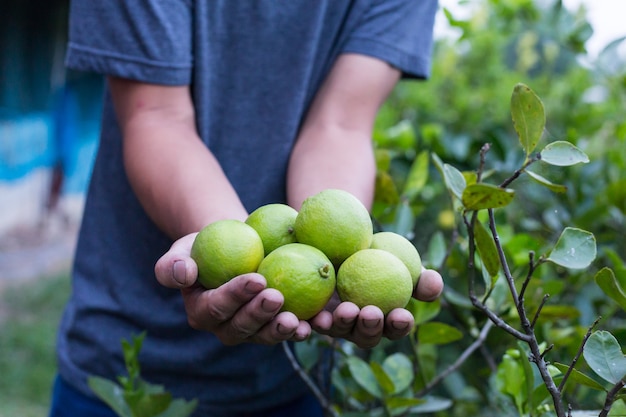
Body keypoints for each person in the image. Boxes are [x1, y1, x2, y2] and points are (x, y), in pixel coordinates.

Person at [49, 1, 444, 416]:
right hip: (127, 364)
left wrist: (337, 263)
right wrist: (227, 248)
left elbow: (340, 125)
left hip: (293, 372)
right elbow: (156, 116)